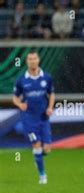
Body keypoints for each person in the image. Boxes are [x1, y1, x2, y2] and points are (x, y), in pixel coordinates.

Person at [13, 51, 55, 185]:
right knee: (36, 145)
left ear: (38, 60)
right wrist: (20, 104)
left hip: (43, 117)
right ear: (26, 62)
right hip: (28, 118)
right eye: (30, 59)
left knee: (47, 149)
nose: (32, 61)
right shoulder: (21, 80)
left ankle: (37, 157)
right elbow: (15, 97)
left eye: (34, 58)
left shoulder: (47, 77)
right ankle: (42, 176)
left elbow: (51, 94)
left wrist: (50, 107)